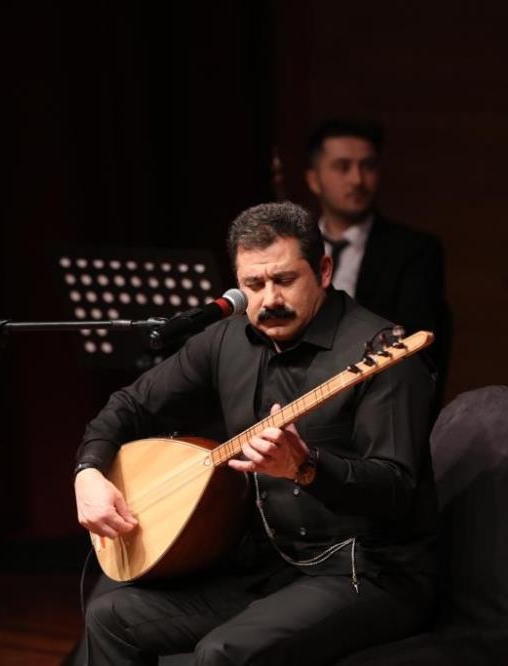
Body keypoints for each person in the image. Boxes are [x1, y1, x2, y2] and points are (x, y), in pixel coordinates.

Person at [73, 201, 439, 665]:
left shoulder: (381, 353)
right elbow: (131, 404)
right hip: (269, 566)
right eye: (254, 285)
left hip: (366, 571)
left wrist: (306, 468)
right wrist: (88, 472)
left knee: (221, 653)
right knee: (110, 617)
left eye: (285, 280)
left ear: (324, 271)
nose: (270, 300)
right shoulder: (228, 340)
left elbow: (395, 490)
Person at [304, 119, 450, 396]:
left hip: (377, 391)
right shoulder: (294, 247)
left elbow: (418, 345)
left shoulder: (415, 250)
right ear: (314, 179)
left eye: (368, 166)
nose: (357, 180)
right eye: (342, 167)